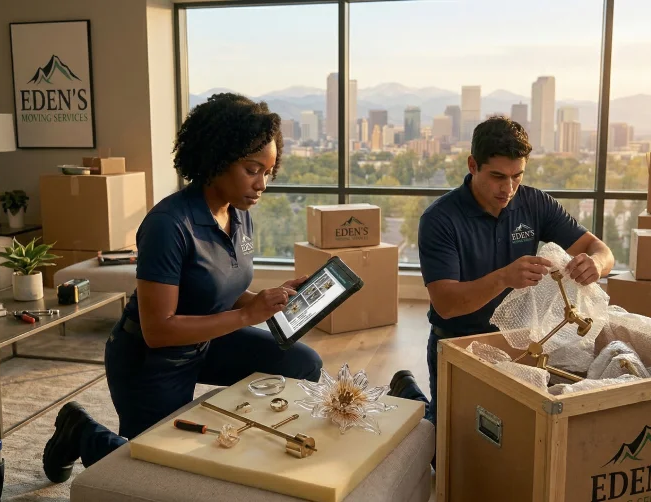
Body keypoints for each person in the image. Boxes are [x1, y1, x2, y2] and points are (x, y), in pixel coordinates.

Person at [42, 93, 323, 483]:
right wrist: (247, 314)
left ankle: (251, 446)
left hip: (208, 341)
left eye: (269, 172)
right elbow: (158, 331)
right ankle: (81, 430)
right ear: (217, 160)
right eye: (252, 169)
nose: (262, 184)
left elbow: (217, 291)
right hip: (152, 360)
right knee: (155, 479)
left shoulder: (238, 215)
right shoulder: (168, 225)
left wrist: (262, 301)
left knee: (302, 362)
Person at [388, 116, 614, 425]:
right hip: (456, 342)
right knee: (445, 455)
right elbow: (447, 304)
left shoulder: (536, 204)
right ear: (472, 165)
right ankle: (408, 393)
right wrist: (504, 278)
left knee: (508, 441)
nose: (508, 188)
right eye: (497, 176)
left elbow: (600, 250)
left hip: (520, 341)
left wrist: (596, 265)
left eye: (517, 176)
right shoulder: (439, 219)